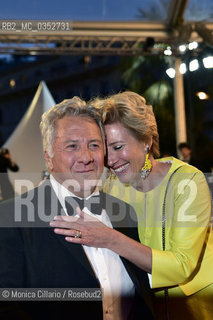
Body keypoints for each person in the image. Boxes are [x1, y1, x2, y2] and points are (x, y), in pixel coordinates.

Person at [51, 91, 213, 320]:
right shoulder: (109, 186)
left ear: (146, 141)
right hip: (145, 306)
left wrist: (109, 237)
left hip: (195, 305)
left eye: (118, 147)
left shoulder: (187, 182)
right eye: (106, 150)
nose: (111, 160)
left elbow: (181, 266)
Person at [0, 97, 154, 320]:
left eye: (94, 145)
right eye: (72, 146)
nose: (86, 157)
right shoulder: (11, 217)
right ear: (48, 158)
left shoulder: (124, 212)